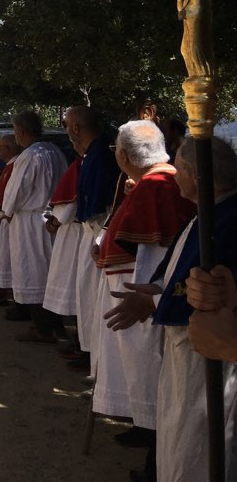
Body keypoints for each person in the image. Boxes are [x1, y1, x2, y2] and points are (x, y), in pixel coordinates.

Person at [105, 136, 237, 481]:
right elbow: (183, 273)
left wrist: (151, 300)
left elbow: (206, 286)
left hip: (206, 358)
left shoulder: (225, 220)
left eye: (179, 169)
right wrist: (157, 288)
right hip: (188, 354)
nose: (174, 176)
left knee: (196, 442)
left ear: (194, 174)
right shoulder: (209, 214)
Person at [92, 120, 194, 449]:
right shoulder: (155, 181)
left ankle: (150, 432)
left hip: (138, 292)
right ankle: (145, 425)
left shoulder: (155, 186)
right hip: (140, 290)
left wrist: (145, 300)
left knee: (146, 360)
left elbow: (153, 254)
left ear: (123, 155)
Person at [47, 106, 119, 369]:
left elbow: (100, 202)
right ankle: (87, 347)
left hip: (97, 232)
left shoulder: (99, 156)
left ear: (76, 128)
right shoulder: (92, 154)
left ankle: (91, 353)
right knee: (86, 294)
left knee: (91, 295)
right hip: (91, 231)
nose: (66, 131)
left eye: (66, 125)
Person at [0, 110, 68, 343]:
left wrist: (6, 212)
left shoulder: (29, 156)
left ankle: (44, 329)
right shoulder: (54, 151)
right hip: (50, 218)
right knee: (49, 272)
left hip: (30, 222)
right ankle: (54, 325)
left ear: (19, 131)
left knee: (34, 273)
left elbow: (17, 190)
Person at [0, 134, 21, 309]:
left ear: (9, 148)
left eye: (0, 147)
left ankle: (15, 299)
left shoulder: (16, 166)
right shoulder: (9, 166)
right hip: (4, 220)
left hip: (12, 221)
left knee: (13, 261)